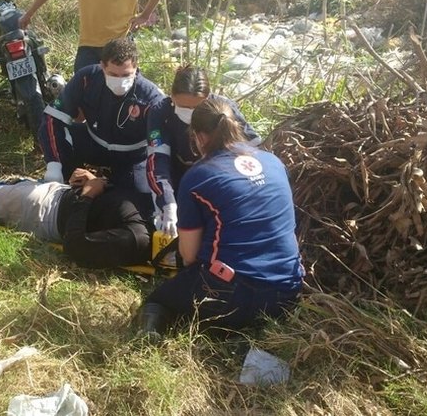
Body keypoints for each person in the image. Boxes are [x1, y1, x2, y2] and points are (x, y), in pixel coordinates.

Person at [138, 98, 304, 340]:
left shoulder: (199, 176)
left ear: (197, 136)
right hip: (287, 292)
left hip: (231, 293)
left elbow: (190, 254)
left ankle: (151, 339)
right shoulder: (273, 162)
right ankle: (249, 333)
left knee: (159, 300)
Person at [0, 164, 151, 268]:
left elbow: (75, 246)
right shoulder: (156, 208)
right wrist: (99, 182)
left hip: (46, 213)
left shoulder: (136, 236)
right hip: (60, 195)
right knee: (6, 189)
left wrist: (87, 196)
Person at [38, 37, 164, 202]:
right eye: (113, 74)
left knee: (136, 198)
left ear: (136, 68)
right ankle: (66, 184)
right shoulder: (87, 78)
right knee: (56, 131)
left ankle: (105, 184)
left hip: (132, 156)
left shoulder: (151, 97)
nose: (120, 82)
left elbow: (161, 146)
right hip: (94, 143)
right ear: (102, 66)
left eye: (126, 75)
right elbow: (53, 117)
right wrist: (54, 165)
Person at [147, 65, 262, 238]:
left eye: (195, 108)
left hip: (218, 173)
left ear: (208, 99)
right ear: (172, 96)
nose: (190, 114)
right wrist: (168, 202)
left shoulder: (222, 109)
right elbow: (157, 161)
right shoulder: (160, 112)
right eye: (183, 107)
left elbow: (254, 149)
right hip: (176, 173)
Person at [19, 0, 167, 72]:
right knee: (82, 101)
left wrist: (145, 15)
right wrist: (30, 12)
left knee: (121, 101)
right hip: (88, 42)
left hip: (120, 40)